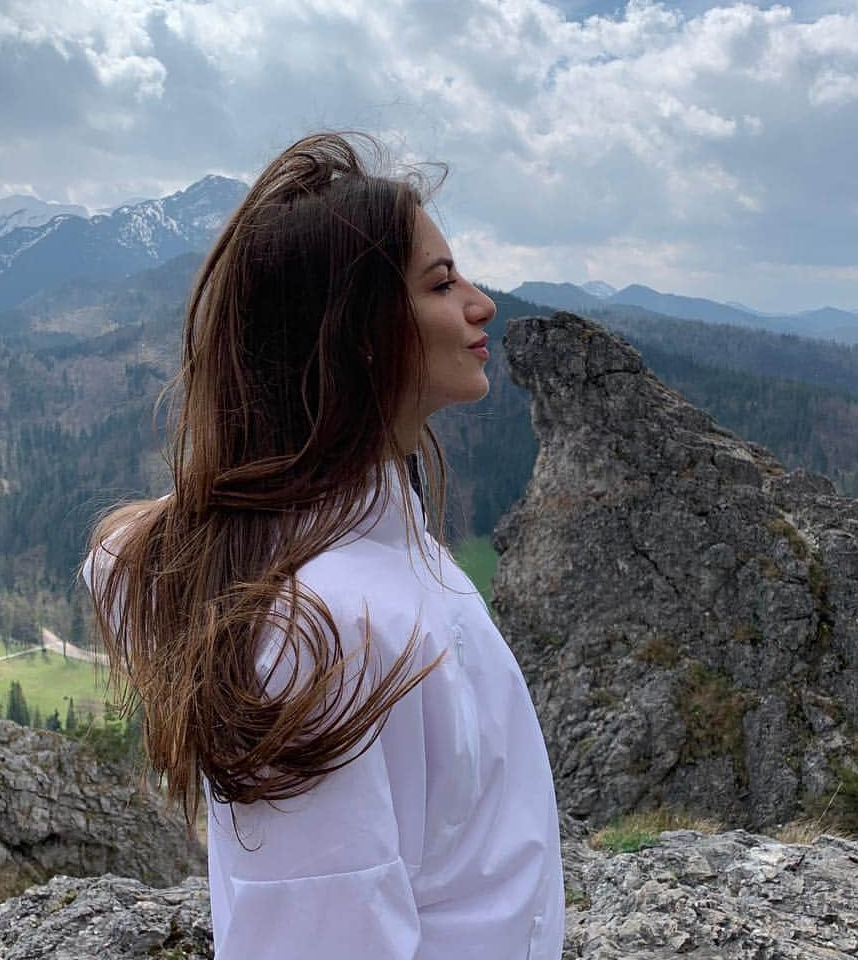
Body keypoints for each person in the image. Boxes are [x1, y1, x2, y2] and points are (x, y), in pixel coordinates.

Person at [81, 132, 565, 958]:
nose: (482, 304)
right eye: (442, 284)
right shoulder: (322, 633)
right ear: (360, 333)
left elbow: (126, 549)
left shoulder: (346, 546)